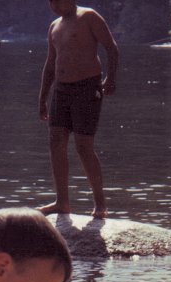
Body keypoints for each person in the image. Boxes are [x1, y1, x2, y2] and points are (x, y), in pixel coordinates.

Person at [38, 0, 119, 219]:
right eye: (50, 2)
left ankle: (100, 203)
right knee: (56, 141)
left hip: (86, 87)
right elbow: (51, 63)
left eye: (57, 1)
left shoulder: (88, 16)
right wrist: (42, 97)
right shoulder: (54, 26)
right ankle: (62, 201)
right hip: (61, 89)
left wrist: (110, 78)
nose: (53, 5)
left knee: (84, 146)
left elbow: (111, 48)